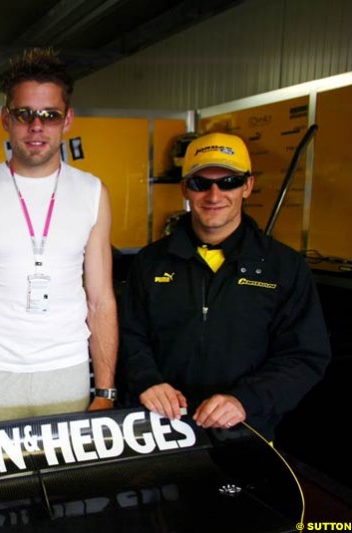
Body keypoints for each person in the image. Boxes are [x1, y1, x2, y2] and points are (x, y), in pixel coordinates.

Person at [0, 48, 118, 426]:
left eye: (49, 115)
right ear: (6, 118)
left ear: (67, 120)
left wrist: (105, 392)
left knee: (68, 486)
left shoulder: (92, 193)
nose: (37, 126)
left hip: (68, 372)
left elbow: (101, 299)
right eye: (25, 114)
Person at [120, 132, 331, 441]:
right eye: (201, 183)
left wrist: (246, 399)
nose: (214, 195)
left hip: (247, 430)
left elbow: (305, 356)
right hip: (159, 428)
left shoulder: (285, 267)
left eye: (229, 182)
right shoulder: (150, 262)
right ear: (185, 189)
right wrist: (147, 381)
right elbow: (129, 335)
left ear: (248, 186)